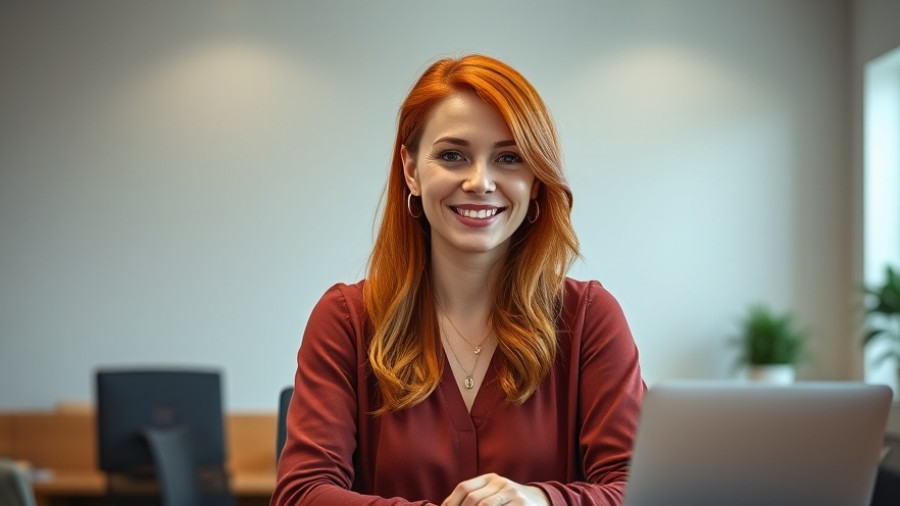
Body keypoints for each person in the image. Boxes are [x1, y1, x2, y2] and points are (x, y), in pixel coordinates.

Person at [272, 54, 645, 506]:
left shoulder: (590, 319)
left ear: (535, 179)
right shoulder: (345, 320)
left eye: (509, 158)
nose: (480, 181)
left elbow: (639, 489)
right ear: (411, 170)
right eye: (453, 156)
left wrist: (543, 502)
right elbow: (301, 494)